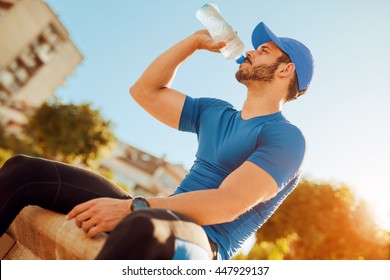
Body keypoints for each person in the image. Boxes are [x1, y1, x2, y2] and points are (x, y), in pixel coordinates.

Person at [0, 22, 314, 260]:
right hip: (156, 212)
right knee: (22, 170)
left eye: (264, 51)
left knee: (142, 227)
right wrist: (193, 43)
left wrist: (133, 208)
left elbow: (226, 204)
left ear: (286, 70)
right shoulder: (215, 112)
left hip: (204, 245)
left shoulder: (287, 139)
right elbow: (145, 92)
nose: (249, 51)